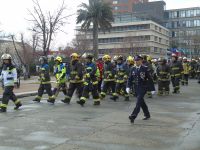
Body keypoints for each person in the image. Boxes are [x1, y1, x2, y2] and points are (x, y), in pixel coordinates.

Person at [126, 55, 155, 123]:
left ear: (141, 61)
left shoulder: (145, 68)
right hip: (136, 88)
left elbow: (150, 79)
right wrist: (128, 86)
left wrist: (152, 88)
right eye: (135, 60)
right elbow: (130, 79)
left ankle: (133, 116)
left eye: (138, 60)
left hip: (143, 87)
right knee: (141, 102)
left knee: (138, 102)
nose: (136, 62)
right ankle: (147, 114)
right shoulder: (133, 68)